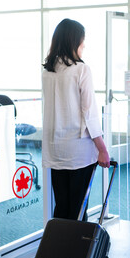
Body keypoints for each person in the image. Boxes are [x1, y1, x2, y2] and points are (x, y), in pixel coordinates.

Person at [42, 18, 110, 221]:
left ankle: (59, 247)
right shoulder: (81, 69)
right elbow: (89, 113)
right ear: (74, 41)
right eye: (82, 40)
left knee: (62, 206)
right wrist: (102, 148)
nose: (84, 45)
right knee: (79, 209)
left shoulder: (48, 71)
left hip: (56, 149)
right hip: (79, 151)